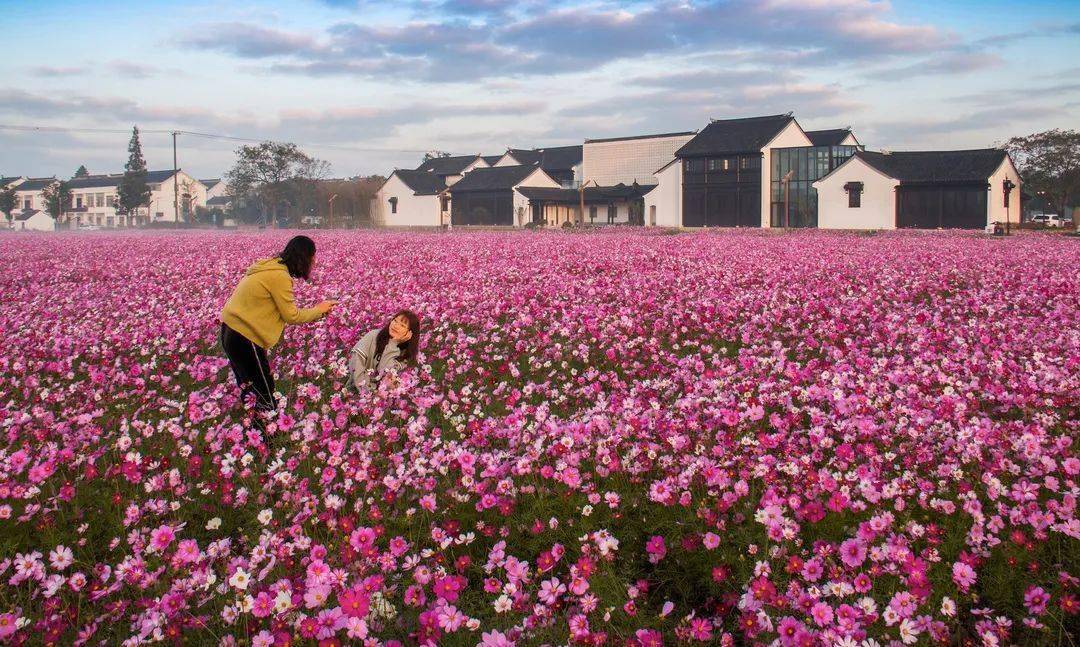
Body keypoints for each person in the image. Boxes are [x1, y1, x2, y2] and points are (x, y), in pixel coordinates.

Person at [219, 235, 336, 412]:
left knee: (250, 390)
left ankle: (256, 435)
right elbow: (292, 316)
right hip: (245, 337)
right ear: (305, 257)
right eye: (313, 257)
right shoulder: (280, 276)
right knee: (264, 393)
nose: (315, 262)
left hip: (230, 332)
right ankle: (269, 437)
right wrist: (320, 309)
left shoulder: (270, 266)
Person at [348, 310, 421, 391]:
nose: (396, 326)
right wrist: (367, 393)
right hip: (356, 391)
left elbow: (386, 373)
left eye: (402, 325)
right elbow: (356, 365)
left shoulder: (405, 355)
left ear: (410, 333)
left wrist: (393, 343)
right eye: (395, 321)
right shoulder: (373, 336)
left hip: (382, 397)